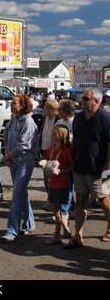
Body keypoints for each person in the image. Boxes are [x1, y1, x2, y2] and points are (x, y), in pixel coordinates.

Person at [63, 88, 110, 249]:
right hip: (81, 166)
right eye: (82, 98)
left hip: (100, 169)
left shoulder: (105, 118)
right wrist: (72, 159)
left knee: (103, 201)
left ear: (96, 101)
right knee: (81, 201)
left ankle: (109, 227)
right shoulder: (79, 118)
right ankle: (78, 235)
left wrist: (108, 170)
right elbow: (75, 139)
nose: (82, 101)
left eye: (85, 98)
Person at [1, 95, 38, 242]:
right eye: (11, 103)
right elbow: (6, 137)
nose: (11, 105)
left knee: (16, 197)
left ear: (22, 106)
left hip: (24, 162)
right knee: (21, 193)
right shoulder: (13, 121)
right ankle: (29, 223)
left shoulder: (28, 122)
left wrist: (8, 156)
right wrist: (7, 156)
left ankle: (12, 231)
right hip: (14, 162)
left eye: (14, 103)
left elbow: (24, 146)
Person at [43, 125, 74, 245]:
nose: (52, 136)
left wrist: (63, 171)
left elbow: (72, 165)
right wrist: (47, 171)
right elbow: (48, 163)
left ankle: (57, 235)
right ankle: (65, 228)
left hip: (62, 182)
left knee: (57, 208)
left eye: (54, 134)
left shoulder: (67, 150)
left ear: (61, 136)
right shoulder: (50, 149)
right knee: (53, 207)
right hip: (53, 182)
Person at [56, 99, 76, 224]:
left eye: (59, 109)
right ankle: (71, 208)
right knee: (66, 184)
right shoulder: (58, 122)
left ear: (65, 111)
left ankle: (64, 212)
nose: (58, 111)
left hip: (69, 156)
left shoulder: (74, 122)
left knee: (68, 184)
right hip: (59, 156)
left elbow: (73, 140)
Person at [40, 100, 59, 208]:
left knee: (52, 176)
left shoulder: (57, 119)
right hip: (44, 149)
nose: (44, 109)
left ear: (52, 109)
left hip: (53, 150)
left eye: (46, 107)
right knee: (46, 176)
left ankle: (54, 201)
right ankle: (50, 198)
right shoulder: (45, 119)